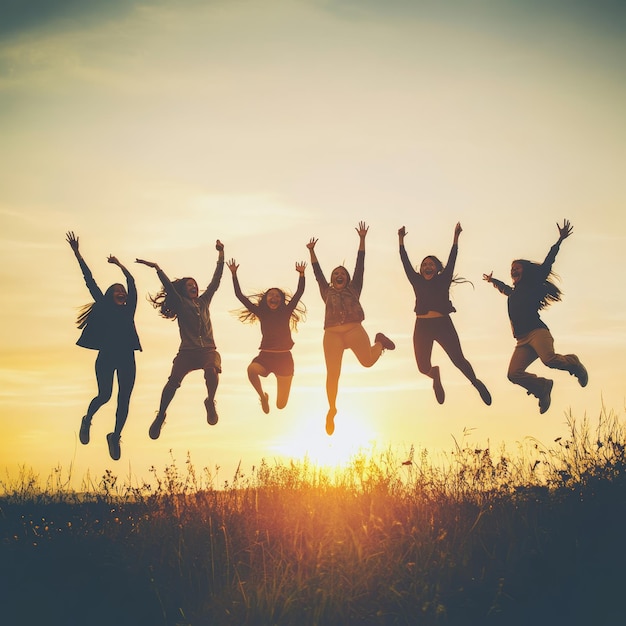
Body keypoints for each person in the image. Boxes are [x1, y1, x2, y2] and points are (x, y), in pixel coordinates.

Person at [483, 219, 588, 414]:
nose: (513, 270)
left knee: (549, 360)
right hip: (522, 340)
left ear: (526, 270)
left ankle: (574, 363)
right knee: (513, 374)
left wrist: (559, 241)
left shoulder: (534, 283)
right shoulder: (514, 292)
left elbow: (548, 262)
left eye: (517, 267)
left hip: (537, 333)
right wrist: (492, 281)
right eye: (512, 268)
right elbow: (504, 288)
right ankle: (542, 387)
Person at [307, 221, 395, 436]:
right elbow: (317, 274)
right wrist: (312, 252)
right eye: (335, 273)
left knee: (367, 362)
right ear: (331, 279)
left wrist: (362, 240)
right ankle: (332, 409)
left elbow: (360, 266)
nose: (339, 275)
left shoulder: (354, 288)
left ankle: (380, 342)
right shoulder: (326, 292)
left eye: (342, 274)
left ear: (346, 279)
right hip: (332, 335)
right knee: (333, 374)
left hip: (354, 330)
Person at [137, 240, 225, 439]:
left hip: (207, 350)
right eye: (189, 285)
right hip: (187, 352)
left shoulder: (204, 301)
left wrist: (221, 254)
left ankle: (210, 402)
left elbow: (216, 281)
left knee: (212, 369)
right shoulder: (180, 302)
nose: (194, 287)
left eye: (195, 285)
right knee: (173, 382)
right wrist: (157, 269)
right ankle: (160, 416)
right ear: (183, 290)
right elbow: (169, 287)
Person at [66, 231, 142, 461]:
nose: (121, 291)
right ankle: (87, 419)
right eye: (116, 290)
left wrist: (120, 264)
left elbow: (133, 283)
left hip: (127, 357)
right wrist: (78, 254)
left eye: (123, 291)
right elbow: (89, 280)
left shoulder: (129, 309)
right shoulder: (104, 305)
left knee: (124, 399)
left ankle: (114, 436)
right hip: (107, 356)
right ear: (110, 296)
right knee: (105, 395)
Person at [398, 222, 491, 406]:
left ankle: (476, 383)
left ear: (437, 268)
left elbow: (453, 258)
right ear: (421, 269)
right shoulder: (415, 280)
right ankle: (435, 375)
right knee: (422, 367)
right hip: (422, 326)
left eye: (431, 264)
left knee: (458, 360)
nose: (427, 266)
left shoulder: (443, 279)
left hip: (442, 325)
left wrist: (456, 237)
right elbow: (405, 262)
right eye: (424, 264)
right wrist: (400, 240)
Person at [227, 258, 307, 413]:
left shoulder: (286, 312)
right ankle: (263, 397)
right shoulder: (261, 312)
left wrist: (302, 275)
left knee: (281, 405)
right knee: (251, 370)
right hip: (266, 356)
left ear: (281, 300)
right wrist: (234, 274)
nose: (274, 298)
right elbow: (239, 295)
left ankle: (278, 392)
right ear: (266, 299)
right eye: (271, 295)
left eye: (277, 296)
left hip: (284, 359)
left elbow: (299, 293)